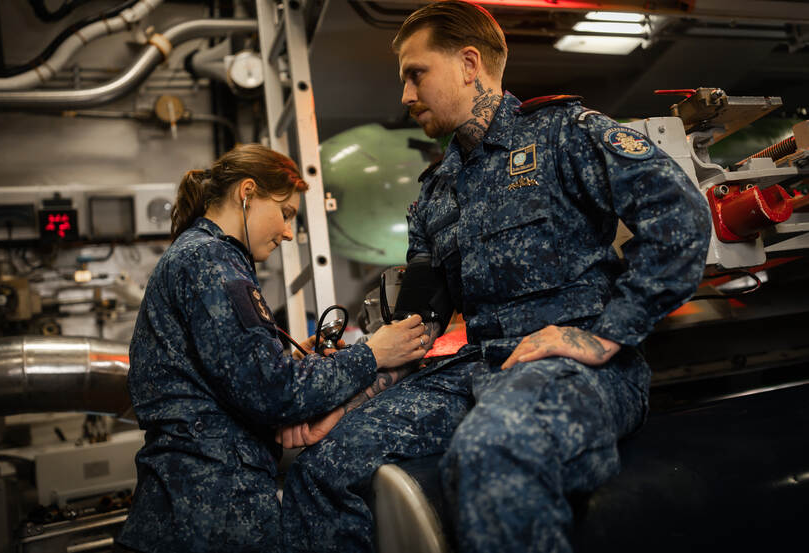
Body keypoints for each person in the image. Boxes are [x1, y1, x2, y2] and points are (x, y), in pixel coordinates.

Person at [281, 2, 712, 552]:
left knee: (493, 450)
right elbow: (422, 327)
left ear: (468, 64)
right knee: (320, 467)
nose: (406, 97)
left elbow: (682, 219)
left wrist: (601, 337)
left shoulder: (564, 134)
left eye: (417, 75)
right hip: (475, 370)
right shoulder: (436, 193)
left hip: (573, 367)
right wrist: (352, 400)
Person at [114, 144, 428, 553]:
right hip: (210, 512)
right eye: (285, 213)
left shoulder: (202, 256)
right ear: (247, 192)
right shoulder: (212, 262)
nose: (286, 232)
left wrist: (292, 365)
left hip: (191, 502)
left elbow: (236, 379)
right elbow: (272, 393)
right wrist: (374, 353)